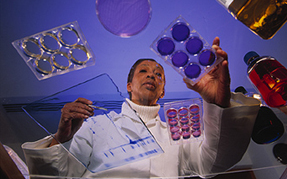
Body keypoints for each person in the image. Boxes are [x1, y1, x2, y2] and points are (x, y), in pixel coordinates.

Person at [22, 37, 260, 178]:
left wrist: (217, 103)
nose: (152, 76)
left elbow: (217, 161)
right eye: (143, 71)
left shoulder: (176, 134)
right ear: (129, 85)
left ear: (163, 91)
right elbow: (58, 176)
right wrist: (60, 138)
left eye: (159, 74)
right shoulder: (96, 125)